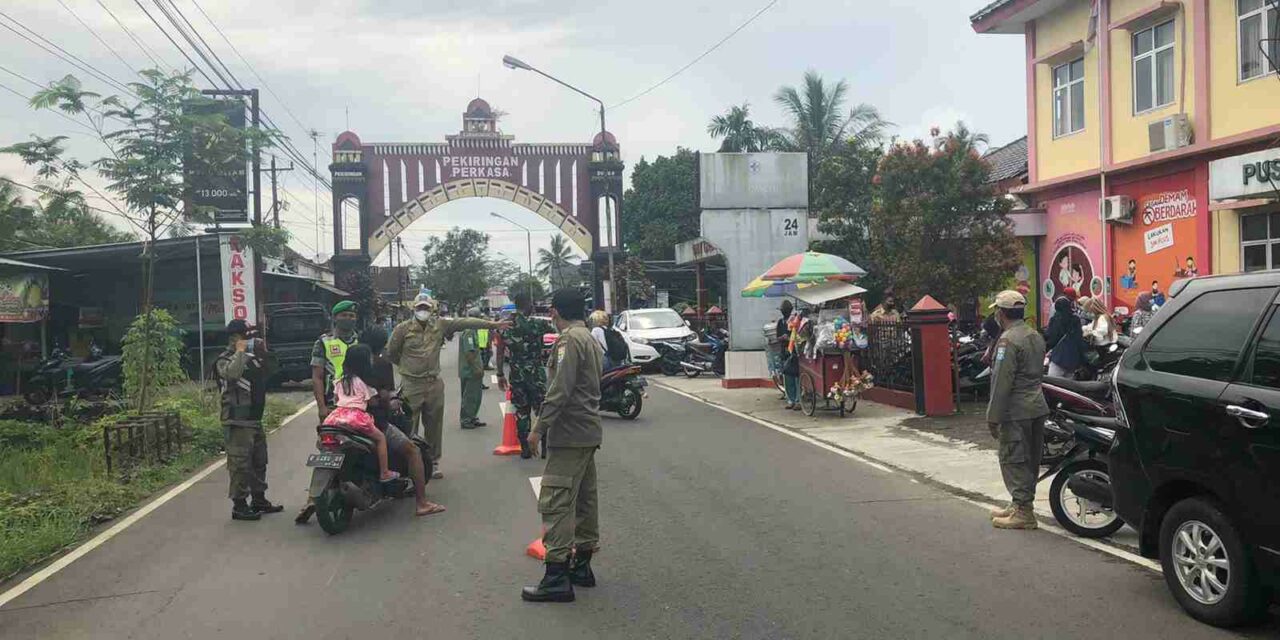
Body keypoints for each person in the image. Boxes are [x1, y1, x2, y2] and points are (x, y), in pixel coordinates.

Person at [522, 288, 603, 603]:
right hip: (586, 432)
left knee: (557, 500)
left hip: (569, 434)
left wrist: (538, 427)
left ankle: (556, 575)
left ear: (555, 312)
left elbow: (560, 390)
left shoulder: (569, 341)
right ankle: (581, 566)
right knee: (584, 499)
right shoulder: (590, 338)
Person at [388, 292, 508, 478]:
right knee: (408, 426)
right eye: (420, 308)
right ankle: (408, 464)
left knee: (434, 425)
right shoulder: (402, 329)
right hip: (411, 384)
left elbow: (467, 322)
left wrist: (493, 324)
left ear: (432, 310)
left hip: (434, 383)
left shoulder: (440, 325)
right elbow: (392, 353)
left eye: (426, 308)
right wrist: (408, 368)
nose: (423, 311)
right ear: (414, 309)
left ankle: (433, 462)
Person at [361, 327, 445, 517]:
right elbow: (385, 395)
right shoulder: (381, 363)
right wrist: (391, 402)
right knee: (413, 451)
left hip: (344, 419)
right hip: (372, 420)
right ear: (383, 343)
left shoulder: (350, 364)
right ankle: (422, 503)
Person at [986, 290, 1050, 530]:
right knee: (1030, 458)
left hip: (1016, 409)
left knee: (1014, 458)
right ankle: (1020, 504)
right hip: (1036, 405)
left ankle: (1024, 511)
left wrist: (993, 417)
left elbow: (1002, 382)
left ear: (1001, 313)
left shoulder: (1008, 341)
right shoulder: (1035, 336)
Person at [215, 319, 283, 522]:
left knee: (259, 461)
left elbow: (271, 372)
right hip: (237, 421)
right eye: (243, 335)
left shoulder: (251, 356)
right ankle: (240, 505)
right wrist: (241, 351)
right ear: (234, 337)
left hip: (254, 419)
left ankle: (259, 499)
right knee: (240, 464)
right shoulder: (224, 359)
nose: (247, 339)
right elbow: (232, 374)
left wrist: (264, 353)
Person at [322, 344, 400, 483]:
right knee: (381, 438)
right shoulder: (362, 383)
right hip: (357, 418)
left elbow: (336, 399)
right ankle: (384, 472)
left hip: (337, 416)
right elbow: (372, 402)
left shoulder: (340, 381)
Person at [496, 292, 555, 459]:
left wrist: (500, 374)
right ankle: (543, 446)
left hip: (517, 375)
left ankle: (525, 449)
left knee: (521, 411)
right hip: (536, 374)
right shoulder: (537, 324)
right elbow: (557, 331)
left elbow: (500, 352)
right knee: (541, 410)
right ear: (528, 305)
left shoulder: (506, 326)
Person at [1043, 297, 1086, 379]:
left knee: (1054, 384)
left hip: (1059, 357)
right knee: (1069, 386)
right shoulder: (1076, 319)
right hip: (1073, 358)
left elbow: (1052, 339)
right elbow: (1079, 339)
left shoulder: (1055, 319)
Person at [458, 311, 487, 429]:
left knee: (475, 397)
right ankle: (466, 420)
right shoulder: (469, 332)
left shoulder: (474, 331)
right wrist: (476, 368)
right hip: (470, 371)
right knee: (469, 397)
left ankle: (472, 417)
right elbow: (469, 353)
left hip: (474, 370)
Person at [770, 300, 793, 400]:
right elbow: (777, 337)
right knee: (785, 374)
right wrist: (782, 338)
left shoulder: (793, 321)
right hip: (784, 351)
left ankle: (794, 398)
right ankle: (788, 396)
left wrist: (789, 338)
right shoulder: (780, 322)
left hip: (793, 350)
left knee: (794, 375)